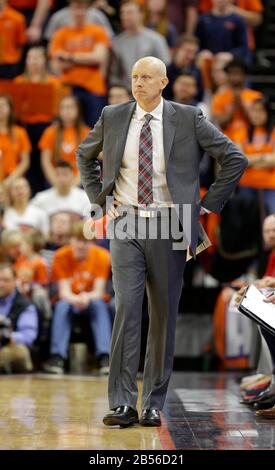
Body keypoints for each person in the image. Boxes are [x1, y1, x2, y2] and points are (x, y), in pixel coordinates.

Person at [77, 56, 247, 427]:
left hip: (171, 222)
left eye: (146, 77)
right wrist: (100, 201)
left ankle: (153, 402)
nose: (138, 83)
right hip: (125, 224)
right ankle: (122, 402)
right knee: (127, 309)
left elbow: (234, 157)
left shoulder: (188, 118)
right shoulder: (113, 114)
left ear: (163, 82)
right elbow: (84, 155)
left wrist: (206, 206)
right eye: (135, 76)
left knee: (163, 315)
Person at [0, 262, 38, 373]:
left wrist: (6, 336)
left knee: (21, 352)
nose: (1, 284)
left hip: (11, 348)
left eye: (6, 280)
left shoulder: (25, 305)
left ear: (15, 281)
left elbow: (29, 336)